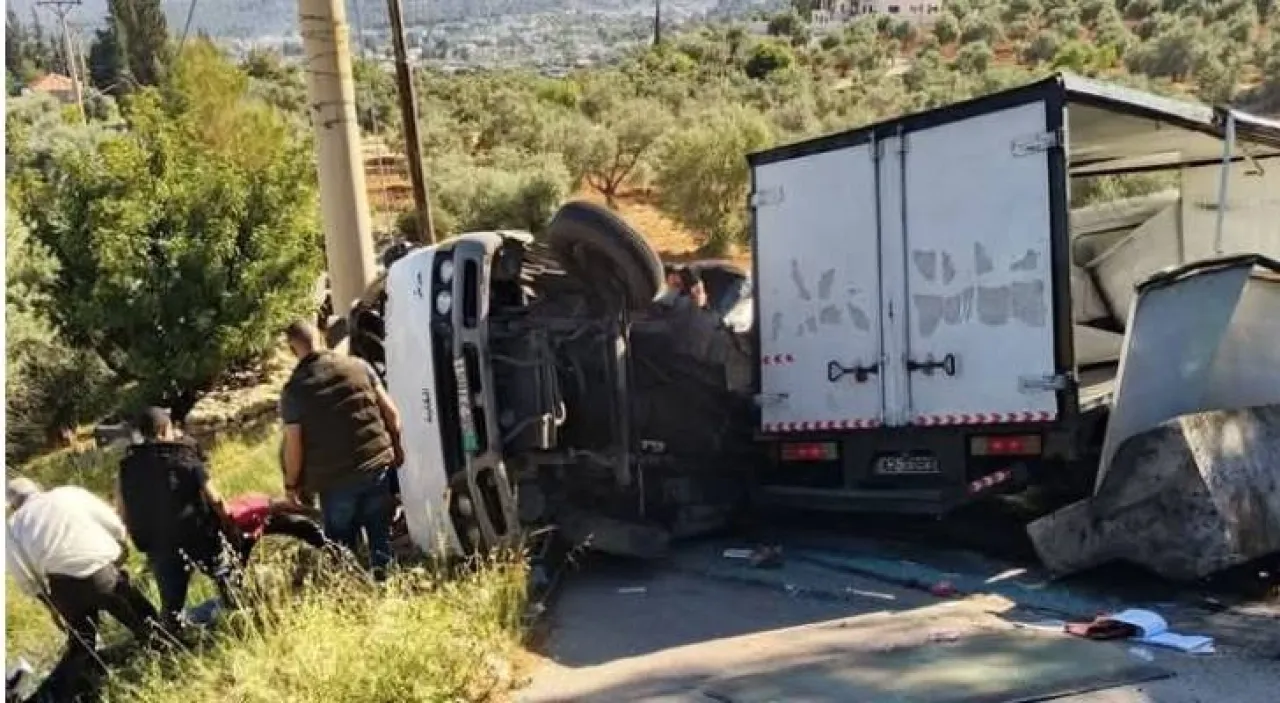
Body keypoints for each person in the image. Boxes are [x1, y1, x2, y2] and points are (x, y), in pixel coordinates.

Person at [6, 478, 161, 702]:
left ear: (13, 505)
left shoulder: (12, 529)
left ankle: (85, 693)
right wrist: (120, 546)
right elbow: (112, 522)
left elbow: (25, 576)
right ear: (38, 488)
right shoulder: (69, 494)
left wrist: (52, 607)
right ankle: (166, 654)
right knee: (143, 618)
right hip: (100, 573)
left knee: (82, 644)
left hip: (62, 589)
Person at [279, 320, 405, 579]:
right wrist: (397, 449)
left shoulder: (294, 390)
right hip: (376, 467)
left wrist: (292, 485)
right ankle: (387, 588)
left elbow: (294, 448)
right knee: (380, 537)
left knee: (342, 548)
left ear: (293, 350)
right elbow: (392, 414)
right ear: (321, 337)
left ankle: (354, 598)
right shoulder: (358, 366)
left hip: (335, 482)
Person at [116, 407, 239, 630]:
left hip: (158, 545)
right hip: (199, 535)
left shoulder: (127, 467)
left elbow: (122, 513)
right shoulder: (184, 455)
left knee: (172, 610)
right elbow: (216, 500)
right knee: (230, 584)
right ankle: (237, 616)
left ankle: (180, 638)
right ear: (164, 429)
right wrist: (229, 520)